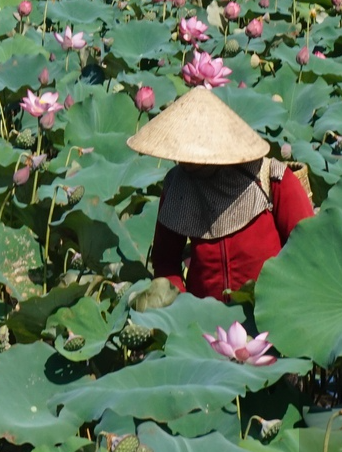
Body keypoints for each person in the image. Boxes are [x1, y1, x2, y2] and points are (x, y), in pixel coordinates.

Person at [135, 87, 316, 300]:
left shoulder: (272, 178)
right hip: (204, 320)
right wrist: (179, 308)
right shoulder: (177, 185)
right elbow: (165, 261)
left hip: (274, 307)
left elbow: (309, 248)